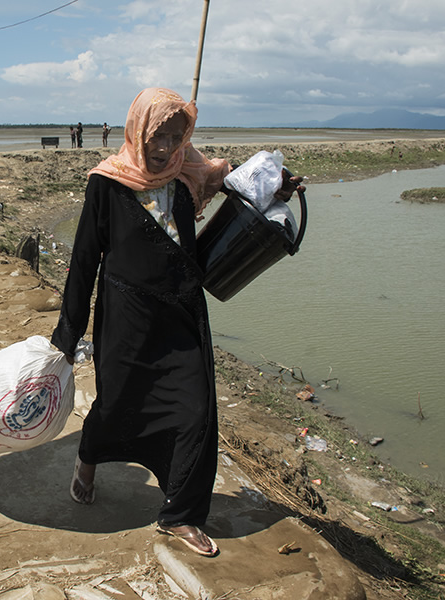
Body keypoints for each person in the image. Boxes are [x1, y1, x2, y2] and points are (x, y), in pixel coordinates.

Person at [51, 88, 302, 557]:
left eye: (176, 136)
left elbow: (244, 194)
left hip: (182, 310)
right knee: (118, 401)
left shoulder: (192, 171)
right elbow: (85, 258)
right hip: (127, 314)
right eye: (157, 137)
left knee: (195, 409)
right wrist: (69, 331)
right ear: (138, 131)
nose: (166, 148)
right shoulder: (107, 182)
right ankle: (88, 458)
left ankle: (181, 514)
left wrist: (280, 189)